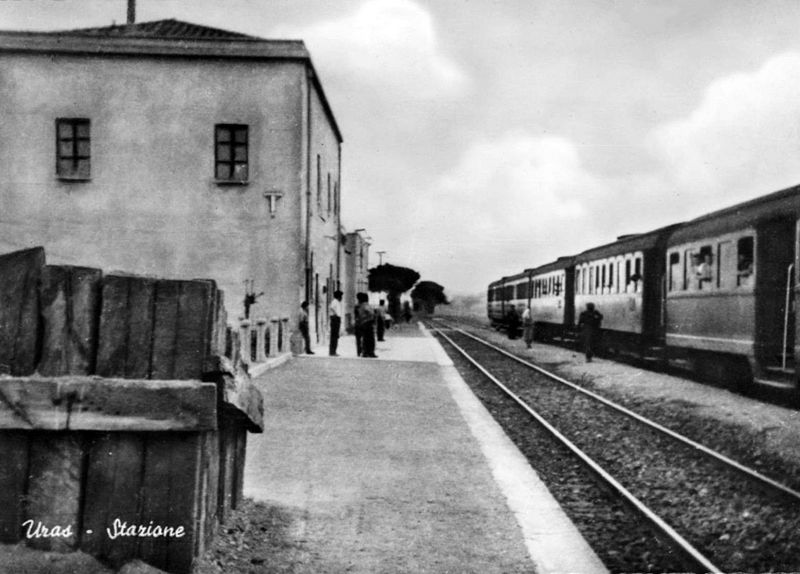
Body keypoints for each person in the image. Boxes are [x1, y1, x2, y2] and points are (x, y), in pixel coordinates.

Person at [356, 293, 377, 358]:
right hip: (368, 322)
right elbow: (371, 312)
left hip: (362, 323)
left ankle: (364, 352)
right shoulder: (366, 305)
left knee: (365, 339)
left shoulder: (359, 306)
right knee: (371, 339)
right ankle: (371, 352)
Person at [329, 290, 343, 356]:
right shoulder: (334, 301)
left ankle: (333, 351)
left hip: (336, 319)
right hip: (335, 319)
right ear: (338, 296)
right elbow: (332, 308)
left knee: (336, 336)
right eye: (341, 296)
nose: (341, 298)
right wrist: (336, 314)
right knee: (334, 336)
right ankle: (332, 351)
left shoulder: (337, 302)